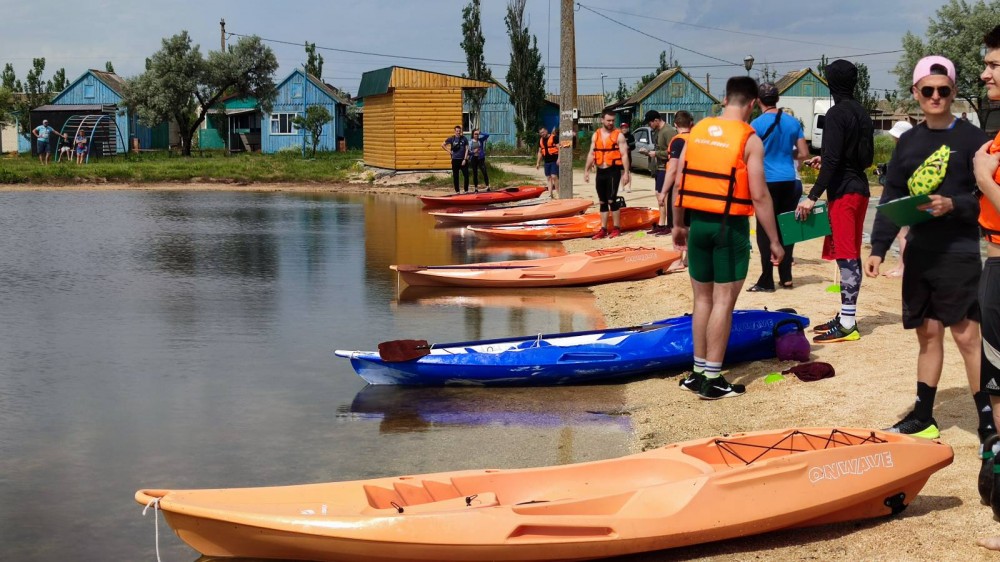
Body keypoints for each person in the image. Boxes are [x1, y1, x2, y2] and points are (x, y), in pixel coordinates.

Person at [866, 56, 988, 442]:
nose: (936, 96)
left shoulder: (974, 140)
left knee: (968, 338)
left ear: (953, 92)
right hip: (919, 253)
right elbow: (893, 195)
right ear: (916, 93)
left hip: (959, 252)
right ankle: (923, 416)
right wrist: (879, 247)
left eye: (944, 90)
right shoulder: (908, 142)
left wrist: (955, 205)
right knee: (928, 334)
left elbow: (986, 198)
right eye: (928, 90)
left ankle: (988, 424)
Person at [672, 76, 783, 400]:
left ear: (725, 99)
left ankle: (696, 372)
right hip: (729, 227)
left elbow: (680, 180)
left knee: (702, 301)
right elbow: (760, 196)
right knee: (723, 302)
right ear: (751, 104)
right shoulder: (750, 140)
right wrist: (774, 241)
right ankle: (713, 378)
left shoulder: (699, 131)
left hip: (698, 225)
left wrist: (678, 224)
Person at [795, 59, 875, 344]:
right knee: (849, 253)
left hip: (844, 193)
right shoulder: (863, 114)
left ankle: (849, 323)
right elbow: (863, 159)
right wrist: (829, 162)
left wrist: (811, 195)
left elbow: (832, 159)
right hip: (860, 189)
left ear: (831, 83)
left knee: (847, 255)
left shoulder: (835, 113)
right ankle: (845, 315)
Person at [973, 28, 1000, 549]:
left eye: (995, 64)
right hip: (994, 272)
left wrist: (984, 179)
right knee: (997, 389)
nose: (984, 74)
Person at [747, 82, 810, 292]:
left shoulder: (756, 124)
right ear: (777, 98)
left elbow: (749, 153)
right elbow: (803, 153)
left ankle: (766, 279)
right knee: (788, 228)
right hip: (790, 181)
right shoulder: (793, 122)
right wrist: (786, 155)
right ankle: (786, 277)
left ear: (758, 101)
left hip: (767, 181)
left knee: (766, 230)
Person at [584, 110, 632, 239]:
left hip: (613, 171)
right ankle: (603, 229)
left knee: (612, 199)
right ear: (602, 120)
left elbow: (624, 155)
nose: (611, 123)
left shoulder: (619, 136)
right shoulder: (596, 135)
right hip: (601, 171)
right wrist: (586, 170)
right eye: (608, 120)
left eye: (612, 120)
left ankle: (617, 228)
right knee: (602, 201)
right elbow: (591, 154)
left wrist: (626, 173)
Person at [877, 121, 914, 278]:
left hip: (902, 195)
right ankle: (901, 265)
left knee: (902, 233)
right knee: (904, 232)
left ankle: (903, 267)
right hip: (906, 194)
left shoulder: (905, 152)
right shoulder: (911, 150)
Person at [641, 110, 677, 235]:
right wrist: (648, 152)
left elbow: (673, 152)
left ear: (656, 120)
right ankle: (661, 224)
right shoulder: (658, 131)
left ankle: (668, 225)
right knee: (659, 196)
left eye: (650, 122)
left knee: (664, 198)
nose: (649, 125)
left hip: (666, 168)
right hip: (658, 168)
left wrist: (656, 153)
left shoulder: (668, 132)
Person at [442, 126, 470, 193]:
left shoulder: (464, 138)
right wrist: (449, 151)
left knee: (466, 175)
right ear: (455, 131)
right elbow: (443, 145)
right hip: (455, 160)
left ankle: (466, 190)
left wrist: (465, 159)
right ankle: (457, 191)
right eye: (457, 131)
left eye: (459, 131)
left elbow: (467, 149)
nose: (458, 132)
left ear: (461, 131)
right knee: (455, 176)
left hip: (462, 160)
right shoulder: (452, 138)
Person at [536, 126, 559, 198]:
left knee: (554, 176)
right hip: (546, 161)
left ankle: (558, 192)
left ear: (546, 131)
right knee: (548, 177)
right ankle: (550, 194)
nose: (542, 134)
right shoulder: (540, 140)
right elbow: (540, 152)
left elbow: (560, 149)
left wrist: (559, 159)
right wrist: (538, 163)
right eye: (540, 133)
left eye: (543, 132)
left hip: (554, 160)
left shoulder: (554, 138)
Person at [620, 121, 636, 192]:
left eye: (625, 128)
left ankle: (629, 187)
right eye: (623, 128)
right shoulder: (619, 136)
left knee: (628, 171)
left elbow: (633, 146)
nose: (624, 129)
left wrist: (628, 148)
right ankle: (622, 187)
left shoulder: (630, 136)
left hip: (628, 156)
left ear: (627, 128)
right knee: (621, 172)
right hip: (620, 156)